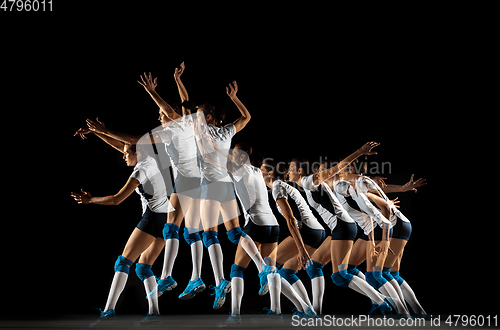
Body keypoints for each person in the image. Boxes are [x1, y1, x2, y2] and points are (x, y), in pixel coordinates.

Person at [71, 123, 171, 320]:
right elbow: (120, 145)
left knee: (123, 262)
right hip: (168, 220)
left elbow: (117, 199)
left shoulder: (140, 170)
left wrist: (90, 200)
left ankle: (108, 309)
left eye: (126, 153)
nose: (123, 155)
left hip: (153, 218)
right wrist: (97, 132)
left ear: (137, 153)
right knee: (143, 267)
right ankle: (154, 312)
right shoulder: (149, 158)